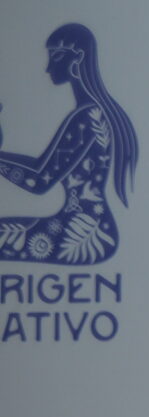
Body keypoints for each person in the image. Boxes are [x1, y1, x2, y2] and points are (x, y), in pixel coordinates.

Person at [0, 25, 139, 266]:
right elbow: (41, 166)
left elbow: (39, 181)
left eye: (56, 56)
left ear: (78, 58)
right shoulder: (88, 113)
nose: (48, 68)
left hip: (83, 235)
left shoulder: (87, 117)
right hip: (79, 226)